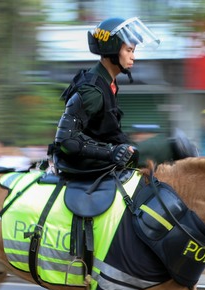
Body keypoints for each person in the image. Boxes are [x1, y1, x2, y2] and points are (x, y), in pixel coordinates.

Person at [48, 17, 161, 175]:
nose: (133, 57)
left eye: (133, 51)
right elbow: (66, 140)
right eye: (129, 50)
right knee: (175, 146)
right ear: (112, 49)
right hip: (87, 166)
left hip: (104, 162)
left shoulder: (109, 84)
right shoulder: (92, 90)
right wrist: (111, 152)